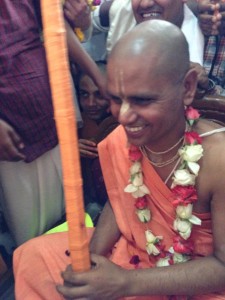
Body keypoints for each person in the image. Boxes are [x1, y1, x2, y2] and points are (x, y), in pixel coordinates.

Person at [13, 20, 225, 299]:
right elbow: (122, 202)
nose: (123, 116)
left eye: (142, 100)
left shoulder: (218, 159)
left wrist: (125, 283)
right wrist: (89, 261)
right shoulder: (122, 139)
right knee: (33, 256)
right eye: (115, 98)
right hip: (131, 252)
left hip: (190, 282)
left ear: (186, 88)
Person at [0, 0, 105, 247]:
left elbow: (55, 27)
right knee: (30, 233)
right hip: (13, 134)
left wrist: (99, 79)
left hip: (54, 114)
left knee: (69, 215)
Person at [77, 62, 118, 223]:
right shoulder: (73, 125)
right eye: (84, 94)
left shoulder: (129, 123)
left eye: (99, 95)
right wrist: (68, 151)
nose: (91, 103)